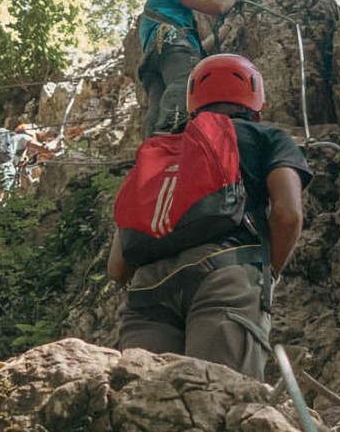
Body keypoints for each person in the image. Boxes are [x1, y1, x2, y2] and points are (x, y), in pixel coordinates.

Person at [108, 54, 311, 380]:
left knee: (144, 401)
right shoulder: (268, 138)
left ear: (192, 104)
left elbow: (118, 268)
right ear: (256, 103)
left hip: (147, 292)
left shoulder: (160, 151)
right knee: (220, 400)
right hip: (224, 277)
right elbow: (288, 215)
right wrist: (268, 272)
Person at [137, 0, 242, 138]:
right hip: (172, 47)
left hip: (155, 60)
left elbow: (200, 48)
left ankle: (152, 145)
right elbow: (217, 6)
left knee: (157, 103)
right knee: (186, 83)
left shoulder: (170, 13)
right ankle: (172, 131)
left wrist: (228, 26)